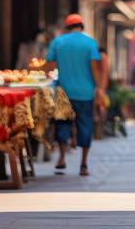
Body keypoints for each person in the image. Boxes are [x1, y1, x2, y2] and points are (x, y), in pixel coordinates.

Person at [37, 14, 104, 176]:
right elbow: (96, 68)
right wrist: (99, 88)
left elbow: (49, 65)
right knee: (85, 125)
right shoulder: (90, 43)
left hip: (63, 92)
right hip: (85, 93)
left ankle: (61, 159)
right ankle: (83, 164)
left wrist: (35, 71)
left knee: (62, 123)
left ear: (67, 27)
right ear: (82, 26)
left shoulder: (57, 42)